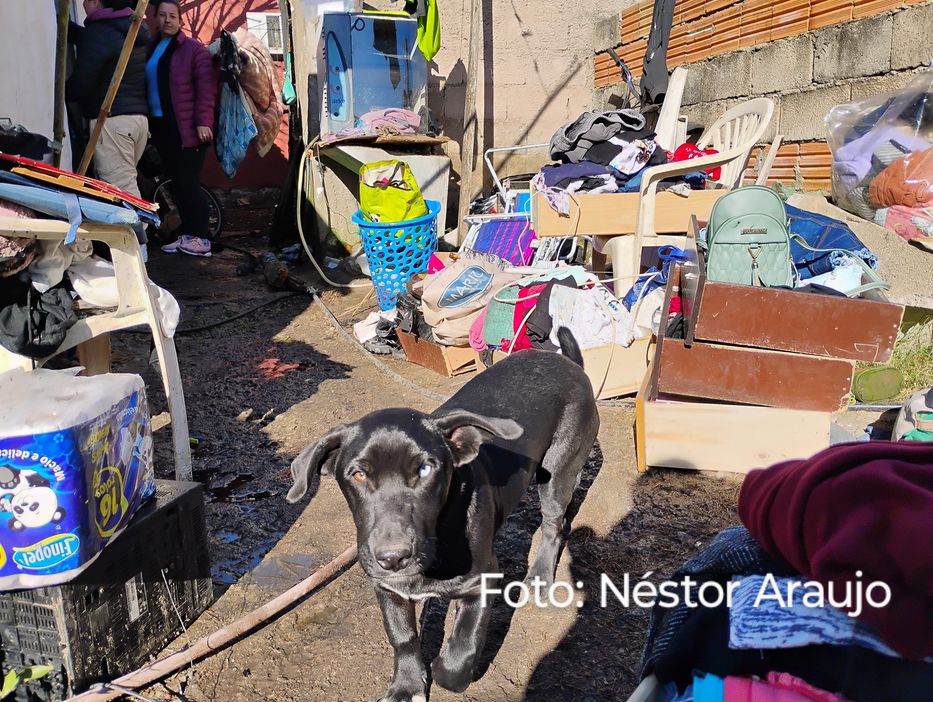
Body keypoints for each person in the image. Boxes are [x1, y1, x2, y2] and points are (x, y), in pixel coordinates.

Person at [146, 0, 216, 257]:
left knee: (188, 183)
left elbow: (206, 89)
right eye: (162, 15)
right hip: (162, 126)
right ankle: (188, 235)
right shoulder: (153, 46)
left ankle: (202, 239)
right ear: (156, 18)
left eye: (172, 16)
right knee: (177, 184)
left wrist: (203, 122)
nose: (167, 20)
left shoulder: (194, 50)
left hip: (187, 128)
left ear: (180, 20)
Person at [67, 0, 150, 199]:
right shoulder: (130, 28)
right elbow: (105, 47)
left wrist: (62, 91)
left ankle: (138, 230)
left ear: (96, 2)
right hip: (136, 121)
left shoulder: (100, 31)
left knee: (121, 192)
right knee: (124, 184)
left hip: (112, 122)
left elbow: (82, 82)